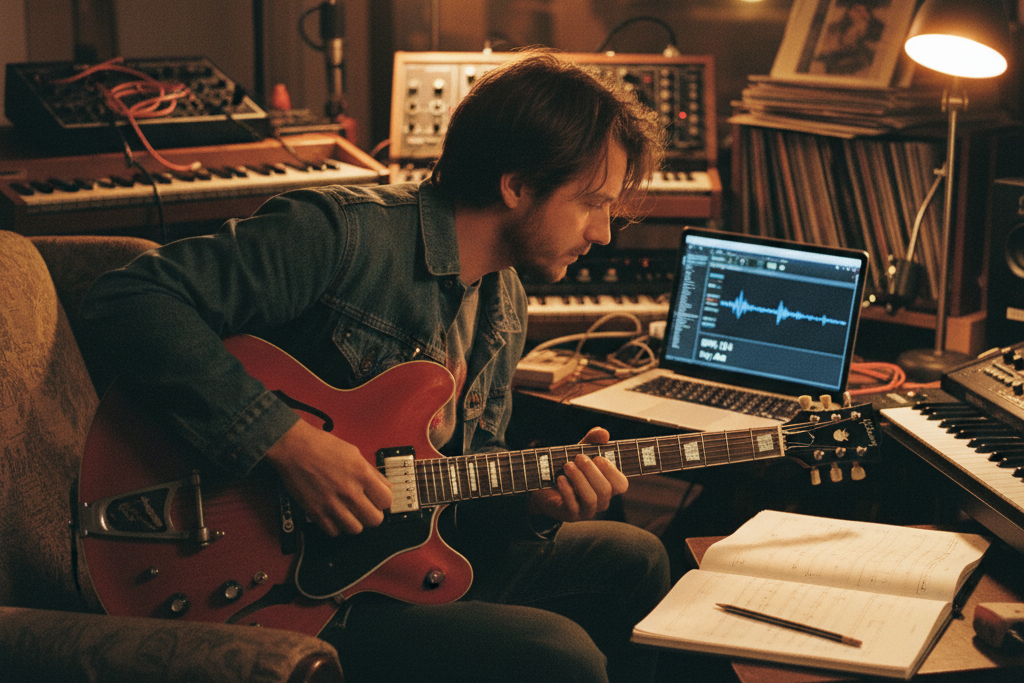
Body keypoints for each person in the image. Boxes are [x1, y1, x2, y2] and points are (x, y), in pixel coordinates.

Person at [81, 50, 670, 683]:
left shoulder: (506, 301)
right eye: (591, 203)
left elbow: (456, 487)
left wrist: (535, 503)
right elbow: (128, 300)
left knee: (635, 556)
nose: (604, 232)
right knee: (559, 656)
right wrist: (286, 443)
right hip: (276, 581)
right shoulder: (342, 235)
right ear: (517, 185)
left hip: (393, 555)